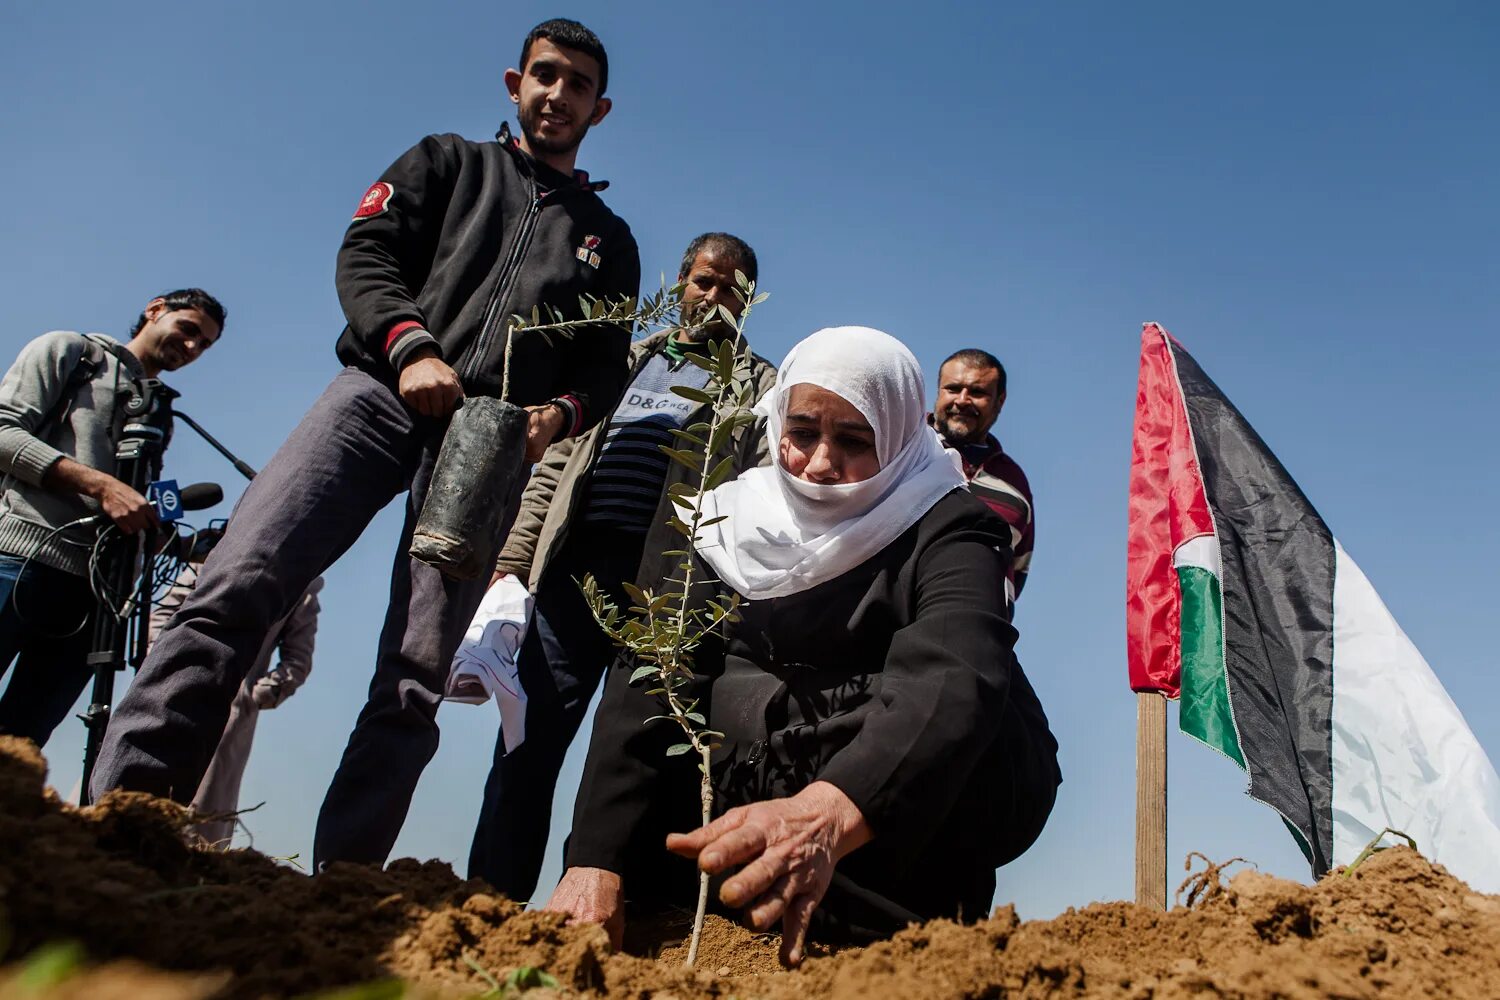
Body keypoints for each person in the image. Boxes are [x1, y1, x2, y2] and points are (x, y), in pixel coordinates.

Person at [91, 17, 642, 876]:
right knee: (238, 583)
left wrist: (555, 417)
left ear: (600, 109)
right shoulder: (445, 162)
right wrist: (411, 347)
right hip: (378, 393)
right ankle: (119, 832)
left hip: (487, 443)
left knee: (418, 670)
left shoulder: (608, 239)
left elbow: (604, 365)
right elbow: (367, 253)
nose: (558, 94)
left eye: (579, 84)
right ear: (515, 83)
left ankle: (343, 889)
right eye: (545, 74)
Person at [546, 327, 1061, 964]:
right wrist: (595, 859)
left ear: (899, 435)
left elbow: (955, 674)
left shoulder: (952, 523)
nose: (820, 464)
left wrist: (826, 814)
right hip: (744, 797)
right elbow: (654, 670)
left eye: (854, 440)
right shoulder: (719, 518)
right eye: (803, 432)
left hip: (892, 823)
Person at [470, 232, 778, 900]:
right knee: (528, 736)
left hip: (672, 586)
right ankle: (491, 896)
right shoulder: (623, 362)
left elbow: (759, 490)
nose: (714, 296)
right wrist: (514, 559)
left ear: (748, 301)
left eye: (731, 288)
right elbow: (556, 465)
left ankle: (586, 899)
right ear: (682, 282)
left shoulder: (761, 387)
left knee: (627, 748)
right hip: (576, 569)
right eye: (703, 281)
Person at [0, 289, 225, 746]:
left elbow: (141, 502)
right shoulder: (73, 352)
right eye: (188, 330)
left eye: (204, 345)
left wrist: (185, 545)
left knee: (20, 745)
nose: (191, 347)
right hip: (18, 561)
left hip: (96, 598)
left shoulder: (160, 410)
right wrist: (101, 486)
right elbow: (4, 432)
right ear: (155, 309)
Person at [147, 526, 324, 847]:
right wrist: (160, 663)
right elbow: (162, 613)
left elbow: (298, 660)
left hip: (230, 708)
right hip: (166, 687)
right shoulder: (217, 553)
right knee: (140, 769)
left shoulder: (302, 580)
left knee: (202, 811)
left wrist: (253, 696)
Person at [930, 348, 1034, 616]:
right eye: (953, 389)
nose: (962, 400)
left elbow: (1017, 567)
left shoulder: (1015, 483)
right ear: (938, 392)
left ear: (1000, 401)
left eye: (977, 392)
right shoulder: (903, 449)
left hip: (984, 629)